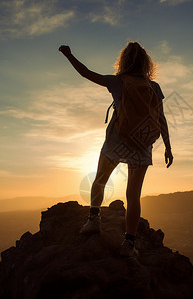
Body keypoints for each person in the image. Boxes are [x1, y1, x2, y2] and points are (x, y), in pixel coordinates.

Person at [59, 41, 173, 257]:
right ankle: (129, 244)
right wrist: (167, 146)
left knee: (100, 180)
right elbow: (161, 118)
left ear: (124, 60)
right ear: (146, 63)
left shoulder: (117, 82)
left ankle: (93, 220)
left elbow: (86, 73)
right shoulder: (153, 87)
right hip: (142, 144)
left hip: (116, 141)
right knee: (133, 196)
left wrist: (69, 55)